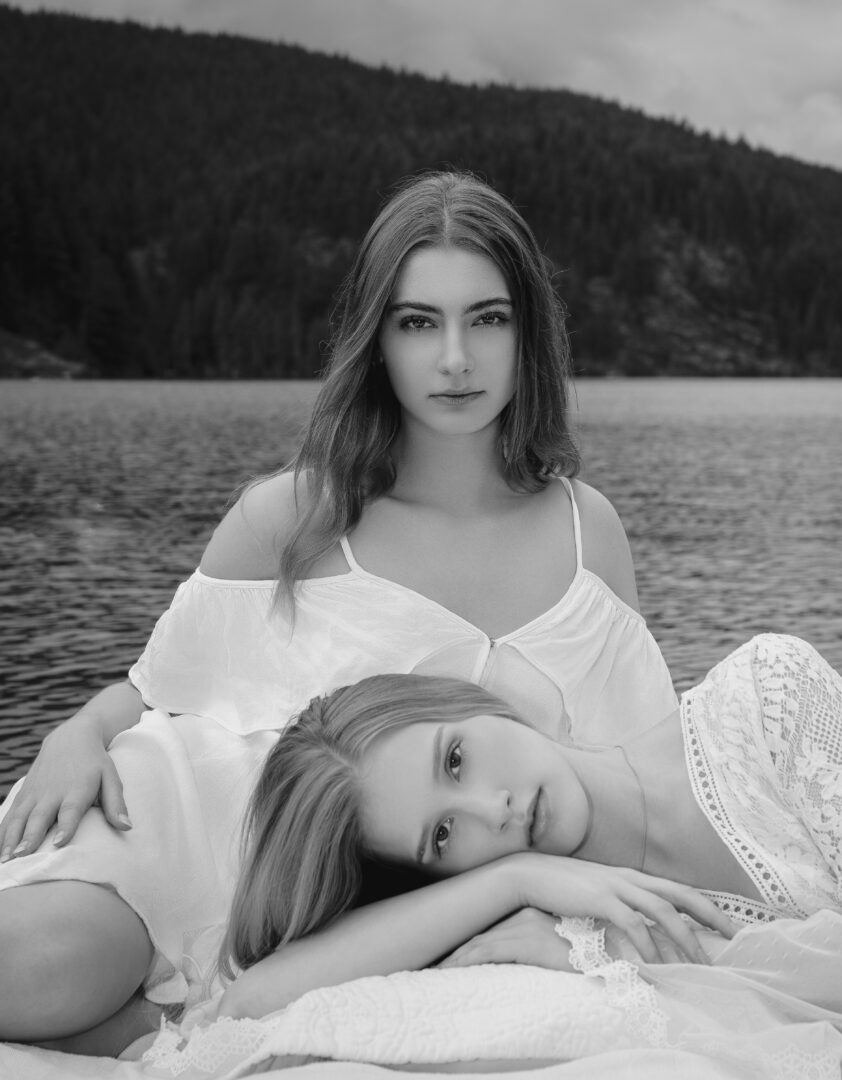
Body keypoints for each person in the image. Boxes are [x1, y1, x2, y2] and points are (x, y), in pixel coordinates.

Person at [0, 170, 684, 1055]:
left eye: (487, 318)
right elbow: (152, 690)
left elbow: (642, 764)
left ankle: (171, 1023)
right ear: (377, 340)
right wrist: (76, 736)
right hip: (185, 833)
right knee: (45, 974)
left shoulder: (590, 535)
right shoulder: (296, 515)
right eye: (417, 323)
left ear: (530, 333)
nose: (455, 359)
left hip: (351, 928)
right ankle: (157, 1014)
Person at [214, 632, 842, 1026]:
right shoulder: (551, 926)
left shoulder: (766, 696)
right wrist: (514, 879)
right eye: (443, 836)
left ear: (470, 702)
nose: (492, 810)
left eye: (455, 759)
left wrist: (637, 960)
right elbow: (245, 1004)